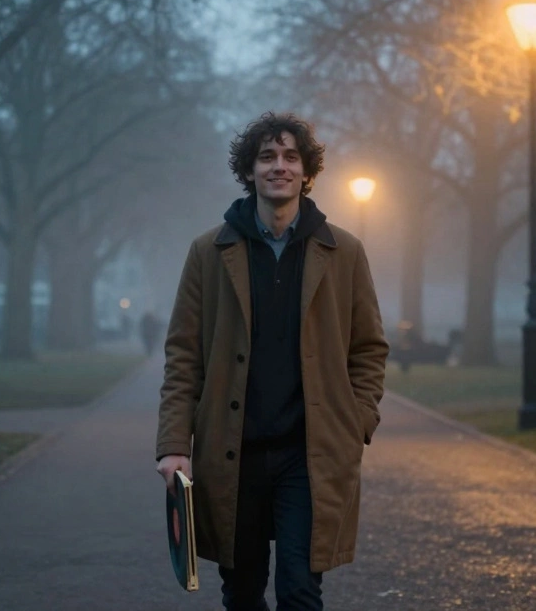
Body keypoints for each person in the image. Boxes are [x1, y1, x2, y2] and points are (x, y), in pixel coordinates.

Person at [155, 112, 388, 610]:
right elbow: (183, 357)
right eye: (266, 157)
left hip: (310, 454)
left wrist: (358, 421)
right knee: (241, 593)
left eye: (290, 157)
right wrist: (174, 445)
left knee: (300, 590)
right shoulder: (208, 252)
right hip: (232, 453)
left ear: (306, 172)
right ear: (249, 170)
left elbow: (369, 348)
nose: (279, 166)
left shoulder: (344, 251)